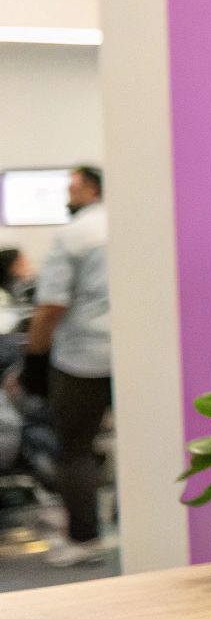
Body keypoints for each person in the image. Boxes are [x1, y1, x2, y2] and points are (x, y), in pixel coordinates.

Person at [17, 166, 112, 567]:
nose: (65, 196)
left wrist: (33, 362)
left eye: (71, 188)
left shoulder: (73, 236)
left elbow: (51, 306)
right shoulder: (127, 225)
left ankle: (84, 539)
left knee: (74, 449)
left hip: (82, 358)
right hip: (132, 354)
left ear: (91, 188)